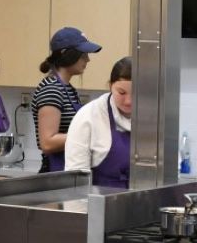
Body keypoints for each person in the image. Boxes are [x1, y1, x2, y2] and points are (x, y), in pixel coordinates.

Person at [32, 27, 101, 172]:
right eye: (83, 55)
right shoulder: (51, 89)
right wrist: (88, 134)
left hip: (67, 170)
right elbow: (47, 142)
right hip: (54, 173)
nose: (87, 60)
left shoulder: (68, 89)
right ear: (69, 55)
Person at [64, 57, 132, 188]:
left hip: (141, 202)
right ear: (110, 86)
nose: (128, 101)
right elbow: (76, 179)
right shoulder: (89, 116)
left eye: (136, 94)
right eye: (121, 93)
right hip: (100, 204)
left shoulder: (152, 117)